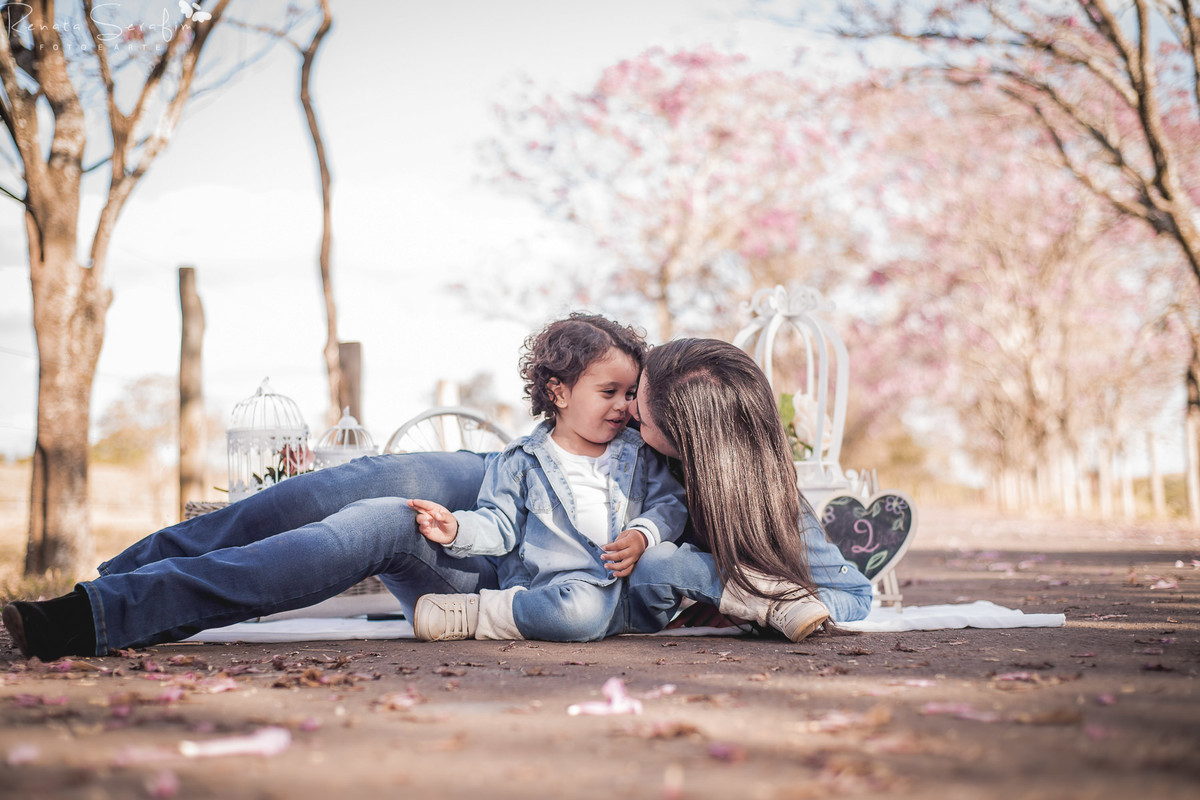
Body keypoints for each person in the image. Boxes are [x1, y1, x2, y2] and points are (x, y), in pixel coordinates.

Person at [2, 331, 871, 662]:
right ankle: (113, 589)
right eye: (625, 394)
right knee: (348, 486)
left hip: (539, 573)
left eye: (639, 406)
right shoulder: (604, 435)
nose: (625, 412)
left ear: (691, 438)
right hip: (512, 492)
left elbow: (847, 596)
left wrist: (709, 580)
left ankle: (95, 614)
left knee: (373, 522)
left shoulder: (749, 495)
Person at [405, 313, 692, 642]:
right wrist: (457, 529)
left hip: (637, 599)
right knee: (580, 612)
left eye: (629, 394)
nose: (623, 405)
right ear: (559, 393)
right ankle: (484, 613)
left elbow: (671, 503)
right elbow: (500, 523)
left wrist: (644, 535)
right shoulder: (523, 461)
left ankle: (741, 598)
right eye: (608, 392)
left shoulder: (640, 452)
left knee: (669, 561)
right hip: (565, 597)